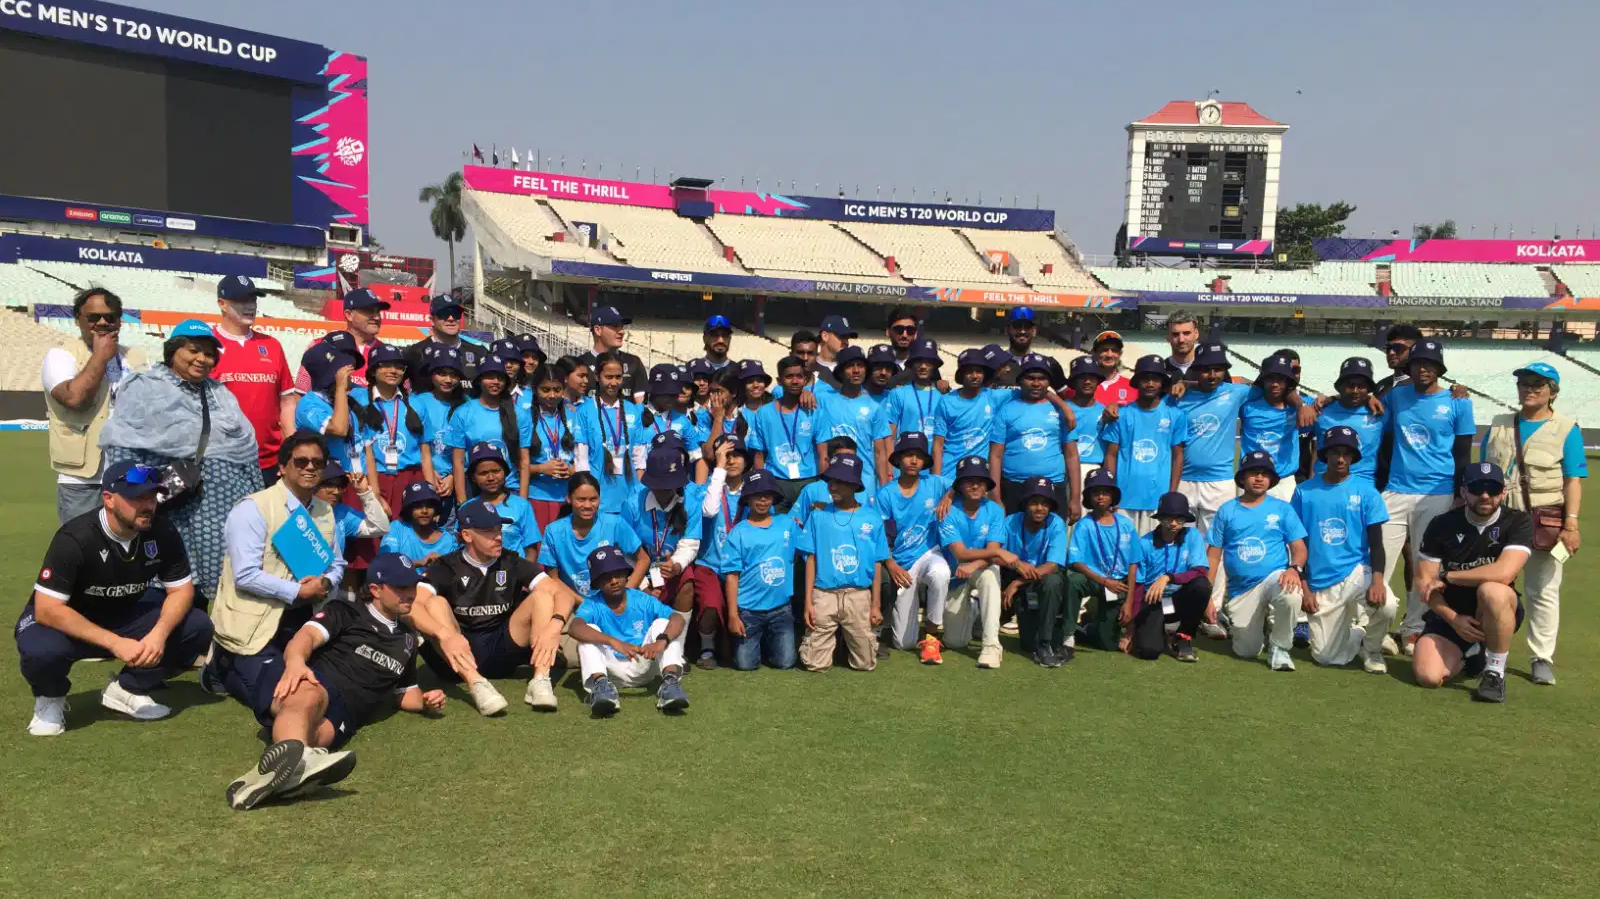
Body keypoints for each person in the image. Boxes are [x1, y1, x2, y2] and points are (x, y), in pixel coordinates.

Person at [223, 553, 444, 811]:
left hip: (347, 714)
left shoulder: (407, 640)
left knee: (314, 740)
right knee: (310, 696)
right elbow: (306, 637)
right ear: (375, 590)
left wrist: (426, 702)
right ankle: (296, 761)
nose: (410, 594)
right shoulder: (346, 611)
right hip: (315, 680)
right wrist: (296, 663)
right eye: (401, 587)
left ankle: (269, 777)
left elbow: (405, 693)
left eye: (412, 586)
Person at [16, 461, 213, 736]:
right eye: (137, 498)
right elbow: (47, 609)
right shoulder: (75, 538)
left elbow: (181, 590)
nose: (148, 505)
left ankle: (127, 688)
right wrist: (115, 643)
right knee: (41, 649)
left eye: (152, 496)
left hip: (122, 614)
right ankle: (49, 699)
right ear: (108, 499)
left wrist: (158, 634)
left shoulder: (163, 531)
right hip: (65, 623)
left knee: (197, 625)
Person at [101, 320, 263, 606]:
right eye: (193, 350)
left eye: (209, 354)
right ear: (173, 350)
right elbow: (124, 453)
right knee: (168, 593)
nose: (202, 359)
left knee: (222, 594)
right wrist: (141, 495)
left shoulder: (220, 394)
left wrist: (258, 502)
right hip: (173, 513)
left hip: (223, 515)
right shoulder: (145, 388)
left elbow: (246, 450)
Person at [204, 432, 347, 711]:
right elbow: (245, 575)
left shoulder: (325, 510)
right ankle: (221, 664)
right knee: (283, 696)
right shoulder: (254, 508)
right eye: (301, 461)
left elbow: (337, 564)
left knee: (334, 684)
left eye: (318, 463)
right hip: (254, 623)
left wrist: (326, 583)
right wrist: (298, 591)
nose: (310, 467)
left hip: (303, 618)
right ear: (282, 467)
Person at [409, 502, 579, 715]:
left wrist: (555, 625)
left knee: (543, 596)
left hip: (502, 650)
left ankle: (540, 680)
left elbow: (562, 594)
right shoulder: (446, 566)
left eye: (499, 529)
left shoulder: (511, 560)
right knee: (435, 603)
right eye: (489, 531)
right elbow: (411, 605)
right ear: (467, 535)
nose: (498, 537)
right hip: (455, 657)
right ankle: (476, 684)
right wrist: (444, 634)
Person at [1480, 361, 1584, 686]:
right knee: (1492, 586)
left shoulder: (1567, 428)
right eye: (1524, 383)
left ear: (1552, 392)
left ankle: (1541, 657)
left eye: (1538, 384)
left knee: (1543, 590)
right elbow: (1484, 472)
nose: (1529, 389)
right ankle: (1485, 649)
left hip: (1544, 519)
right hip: (1500, 519)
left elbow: (1572, 480)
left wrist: (1571, 525)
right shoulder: (1498, 424)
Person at [1376, 338, 1474, 653]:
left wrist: (1460, 493)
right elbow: (1373, 415)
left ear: (1439, 369)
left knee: (1425, 567)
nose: (1423, 369)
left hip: (1438, 493)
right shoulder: (1395, 397)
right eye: (1418, 363)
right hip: (1396, 490)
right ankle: (1374, 628)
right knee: (1378, 561)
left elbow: (1463, 453)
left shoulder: (1459, 402)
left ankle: (1413, 630)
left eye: (1430, 364)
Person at [1411, 462, 1533, 703]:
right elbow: (1424, 580)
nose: (1485, 496)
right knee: (1428, 676)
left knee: (1493, 590)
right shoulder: (1442, 524)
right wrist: (1453, 619)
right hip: (1452, 612)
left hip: (1495, 609)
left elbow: (1504, 573)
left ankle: (1494, 671)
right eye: (1477, 489)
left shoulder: (1518, 521)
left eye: (1492, 489)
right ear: (1463, 491)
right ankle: (1473, 655)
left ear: (1503, 493)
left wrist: (1448, 577)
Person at [1293, 427, 1392, 674]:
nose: (1340, 459)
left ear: (1353, 457)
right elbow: (1296, 545)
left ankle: (1372, 649)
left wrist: (1378, 580)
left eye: (1346, 453)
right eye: (1335, 452)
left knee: (1387, 605)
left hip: (1356, 570)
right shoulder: (1304, 491)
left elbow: (1376, 543)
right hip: (1320, 579)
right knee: (1326, 657)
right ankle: (1356, 634)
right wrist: (1305, 588)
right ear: (1324, 455)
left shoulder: (1367, 491)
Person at [43, 287, 145, 523]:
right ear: (77, 319)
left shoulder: (136, 357)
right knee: (82, 543)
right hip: (83, 479)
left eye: (110, 317)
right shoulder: (60, 356)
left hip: (131, 474)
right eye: (93, 317)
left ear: (119, 321)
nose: (102, 322)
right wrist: (100, 356)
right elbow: (74, 399)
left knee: (129, 543)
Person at [623, 439, 722, 668]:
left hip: (672, 569)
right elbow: (624, 551)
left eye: (671, 484)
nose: (665, 490)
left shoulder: (691, 503)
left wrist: (676, 565)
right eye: (659, 484)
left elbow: (690, 544)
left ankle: (677, 650)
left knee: (687, 582)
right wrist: (642, 583)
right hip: (639, 570)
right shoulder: (632, 503)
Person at [1206, 451, 1308, 671]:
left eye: (1264, 473)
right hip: (1242, 589)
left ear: (1271, 479)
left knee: (1290, 592)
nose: (1259, 478)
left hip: (1274, 578)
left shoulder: (1282, 508)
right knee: (1246, 651)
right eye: (1253, 473)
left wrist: (1294, 569)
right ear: (1243, 478)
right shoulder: (1227, 510)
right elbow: (1213, 555)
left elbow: (1299, 548)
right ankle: (1262, 626)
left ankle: (1280, 647)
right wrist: (1208, 597)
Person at [571, 546, 691, 716]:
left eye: (618, 574)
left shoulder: (641, 598)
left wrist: (661, 641)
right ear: (597, 583)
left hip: (644, 663)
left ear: (626, 575)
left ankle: (670, 685)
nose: (614, 581)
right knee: (588, 631)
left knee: (663, 623)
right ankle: (601, 688)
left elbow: (677, 618)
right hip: (610, 671)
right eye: (606, 577)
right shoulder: (592, 603)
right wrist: (614, 642)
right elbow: (574, 627)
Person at [795, 454, 888, 672]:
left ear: (854, 485)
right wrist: (808, 601)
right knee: (815, 665)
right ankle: (831, 643)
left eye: (839, 481)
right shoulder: (818, 516)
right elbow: (810, 559)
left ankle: (848, 642)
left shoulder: (872, 518)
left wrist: (875, 604)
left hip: (858, 594)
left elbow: (877, 563)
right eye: (830, 481)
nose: (832, 486)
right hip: (824, 593)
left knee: (865, 664)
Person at [211, 275, 296, 487]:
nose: (250, 306)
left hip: (270, 462)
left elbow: (287, 402)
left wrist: (291, 449)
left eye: (253, 299)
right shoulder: (207, 345)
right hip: (222, 461)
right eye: (241, 300)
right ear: (222, 304)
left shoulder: (272, 345)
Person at [875, 433, 953, 657]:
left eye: (919, 456)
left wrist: (949, 496)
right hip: (901, 562)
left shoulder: (935, 483)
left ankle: (931, 636)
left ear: (924, 461)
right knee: (903, 643)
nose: (913, 460)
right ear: (898, 459)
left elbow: (961, 483)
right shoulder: (886, 494)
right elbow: (879, 536)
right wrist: (891, 564)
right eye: (908, 455)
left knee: (940, 573)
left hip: (929, 553)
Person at [718, 468, 801, 671]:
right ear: (747, 498)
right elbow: (732, 576)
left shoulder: (788, 525)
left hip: (781, 608)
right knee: (745, 664)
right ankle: (751, 643)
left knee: (786, 662)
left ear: (774, 498)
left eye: (767, 495)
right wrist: (733, 615)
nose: (762, 500)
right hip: (748, 610)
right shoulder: (738, 532)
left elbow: (810, 549)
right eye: (757, 495)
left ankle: (768, 644)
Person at [937, 456, 1010, 669]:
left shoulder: (995, 510)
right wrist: (999, 553)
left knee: (990, 576)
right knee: (955, 642)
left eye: (980, 481)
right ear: (959, 485)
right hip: (955, 575)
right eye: (969, 481)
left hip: (980, 568)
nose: (975, 485)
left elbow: (992, 553)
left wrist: (974, 565)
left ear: (987, 485)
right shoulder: (947, 510)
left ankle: (991, 646)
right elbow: (960, 553)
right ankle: (976, 610)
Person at [1168, 344, 1248, 535]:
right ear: (1196, 370)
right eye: (1205, 370)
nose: (1212, 375)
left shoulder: (1237, 393)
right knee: (1180, 540)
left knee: (1215, 542)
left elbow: (1276, 387)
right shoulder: (1179, 397)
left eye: (1218, 369)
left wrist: (1309, 404)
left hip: (1219, 482)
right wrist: (1184, 383)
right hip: (1183, 480)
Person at [1103, 355, 1188, 534]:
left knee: (1153, 548)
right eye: (1145, 379)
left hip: (1158, 499)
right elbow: (1111, 454)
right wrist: (1111, 492)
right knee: (1124, 548)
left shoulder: (1175, 415)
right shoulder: (1121, 415)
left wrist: (1172, 493)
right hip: (1124, 498)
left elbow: (1178, 456)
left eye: (1155, 379)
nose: (1150, 384)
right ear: (1137, 382)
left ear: (1162, 383)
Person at [1126, 492, 1211, 663]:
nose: (1173, 523)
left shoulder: (1192, 535)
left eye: (1179, 519)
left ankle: (1183, 637)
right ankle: (1160, 633)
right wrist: (1130, 630)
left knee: (1202, 586)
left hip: (1179, 599)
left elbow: (1201, 570)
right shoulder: (1144, 543)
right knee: (1149, 651)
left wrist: (1167, 578)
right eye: (1168, 518)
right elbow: (1138, 586)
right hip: (1152, 601)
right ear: (1159, 518)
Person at [989, 352, 1077, 513]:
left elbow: (1071, 455)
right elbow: (995, 455)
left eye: (1042, 378)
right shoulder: (1006, 408)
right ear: (1020, 380)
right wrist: (995, 496)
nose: (1036, 383)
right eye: (1030, 378)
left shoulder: (1060, 411)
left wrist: (1075, 499)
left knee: (1054, 529)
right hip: (1014, 486)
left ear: (1049, 381)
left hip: (1053, 485)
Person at [1000, 477, 1072, 667]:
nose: (1039, 508)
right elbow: (996, 554)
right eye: (1034, 502)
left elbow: (1052, 565)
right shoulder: (1010, 522)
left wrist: (1017, 583)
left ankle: (1045, 644)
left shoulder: (1056, 523)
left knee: (1053, 580)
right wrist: (1017, 565)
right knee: (1026, 644)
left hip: (1041, 580)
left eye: (1044, 503)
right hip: (1016, 576)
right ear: (1025, 504)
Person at [538, 473, 648, 596]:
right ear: (569, 498)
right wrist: (583, 604)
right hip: (572, 601)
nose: (587, 505)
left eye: (593, 499)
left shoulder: (614, 523)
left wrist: (625, 593)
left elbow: (643, 559)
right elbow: (553, 578)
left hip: (612, 600)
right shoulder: (553, 531)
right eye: (581, 499)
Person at [1068, 470, 1141, 653]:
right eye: (1095, 492)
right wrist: (1105, 581)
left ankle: (1088, 626)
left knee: (1108, 644)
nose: (1100, 497)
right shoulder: (1084, 525)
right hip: (1095, 580)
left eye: (1105, 492)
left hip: (1118, 585)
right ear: (1088, 497)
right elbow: (1076, 562)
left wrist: (1129, 602)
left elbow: (1133, 564)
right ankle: (1067, 632)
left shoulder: (1126, 524)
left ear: (1113, 496)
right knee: (1073, 580)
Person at [446, 355, 531, 503]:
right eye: (490, 377)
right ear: (479, 380)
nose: (496, 382)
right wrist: (462, 500)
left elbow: (524, 460)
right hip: (475, 490)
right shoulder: (463, 413)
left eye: (500, 378)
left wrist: (523, 500)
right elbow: (458, 462)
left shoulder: (519, 414)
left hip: (510, 489)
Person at [357, 345, 428, 517]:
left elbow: (425, 452)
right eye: (386, 365)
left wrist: (430, 491)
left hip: (410, 478)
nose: (393, 371)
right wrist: (372, 491)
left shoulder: (416, 404)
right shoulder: (357, 399)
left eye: (399, 367)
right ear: (373, 370)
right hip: (373, 477)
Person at [747, 355, 820, 511]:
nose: (794, 381)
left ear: (805, 380)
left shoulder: (814, 410)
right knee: (777, 524)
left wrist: (822, 486)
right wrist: (763, 485)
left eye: (799, 376)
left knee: (809, 523)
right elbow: (758, 454)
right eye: (789, 376)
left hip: (809, 479)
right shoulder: (764, 413)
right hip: (776, 480)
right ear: (779, 381)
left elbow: (823, 451)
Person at [524, 362, 589, 530]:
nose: (552, 395)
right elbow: (514, 465)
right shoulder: (524, 417)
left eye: (557, 389)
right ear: (534, 389)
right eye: (545, 390)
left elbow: (583, 458)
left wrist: (573, 470)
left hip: (567, 497)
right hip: (537, 496)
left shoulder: (574, 415)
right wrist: (541, 468)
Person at [292, 288, 388, 393]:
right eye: (369, 311)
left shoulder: (388, 354)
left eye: (378, 311)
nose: (377, 318)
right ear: (349, 315)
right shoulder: (320, 346)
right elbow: (300, 394)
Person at [874, 339, 942, 481]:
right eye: (918, 362)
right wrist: (889, 472)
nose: (923, 366)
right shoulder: (898, 393)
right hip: (903, 470)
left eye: (928, 362)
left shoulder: (944, 397)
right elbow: (889, 437)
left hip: (932, 470)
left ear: (935, 365)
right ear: (911, 364)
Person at [294, 340, 365, 475]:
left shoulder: (351, 397)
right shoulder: (308, 405)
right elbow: (339, 429)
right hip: (331, 479)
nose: (348, 374)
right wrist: (340, 388)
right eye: (340, 370)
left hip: (360, 476)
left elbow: (367, 444)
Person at [1239, 355, 1304, 502]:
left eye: (1280, 379)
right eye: (1270, 379)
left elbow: (1325, 402)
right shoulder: (1247, 407)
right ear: (1263, 380)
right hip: (1251, 478)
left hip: (1284, 481)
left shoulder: (1298, 408)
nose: (1275, 384)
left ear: (1288, 382)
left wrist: (1328, 399)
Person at [1312, 358, 1385, 485]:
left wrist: (1371, 398)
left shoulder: (1380, 412)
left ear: (1368, 389)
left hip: (1363, 485)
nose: (1355, 390)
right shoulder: (1320, 410)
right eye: (1350, 385)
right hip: (1323, 485)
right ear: (1340, 386)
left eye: (1361, 386)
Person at [413, 346, 468, 513]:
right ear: (431, 374)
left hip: (458, 480)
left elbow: (471, 445)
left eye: (454, 375)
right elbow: (413, 444)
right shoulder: (417, 402)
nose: (448, 379)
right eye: (442, 374)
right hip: (424, 476)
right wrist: (430, 473)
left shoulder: (467, 404)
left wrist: (453, 476)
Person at [402, 295, 484, 392]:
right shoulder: (414, 353)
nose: (451, 318)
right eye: (444, 314)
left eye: (456, 314)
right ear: (432, 320)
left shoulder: (480, 353)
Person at [379, 481, 459, 570]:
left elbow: (457, 571)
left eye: (429, 506)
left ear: (436, 509)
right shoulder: (397, 528)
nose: (424, 511)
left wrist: (443, 562)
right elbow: (386, 563)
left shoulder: (448, 539)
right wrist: (421, 562)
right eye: (418, 506)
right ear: (408, 509)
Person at [576, 306, 647, 402]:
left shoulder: (634, 362)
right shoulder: (578, 364)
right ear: (597, 330)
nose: (622, 332)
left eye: (622, 327)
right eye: (615, 326)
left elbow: (640, 404)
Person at [315, 461, 391, 547]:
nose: (336, 492)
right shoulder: (302, 510)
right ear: (314, 486)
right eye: (330, 485)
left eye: (341, 486)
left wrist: (364, 492)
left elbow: (380, 528)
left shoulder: (342, 513)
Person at [994, 307, 1067, 392]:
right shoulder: (994, 362)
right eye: (1017, 326)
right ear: (1007, 330)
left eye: (1027, 326)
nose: (1022, 331)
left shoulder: (1049, 364)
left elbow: (1066, 394)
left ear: (1034, 331)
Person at [1089, 330, 1135, 406]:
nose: (1109, 355)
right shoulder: (1082, 385)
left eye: (1114, 350)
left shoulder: (1132, 387)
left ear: (1120, 354)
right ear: (1094, 353)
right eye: (1104, 350)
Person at [1163, 310, 1202, 384]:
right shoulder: (1160, 370)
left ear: (1196, 334)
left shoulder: (1210, 369)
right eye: (1175, 334)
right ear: (1167, 337)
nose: (1181, 340)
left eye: (1186, 333)